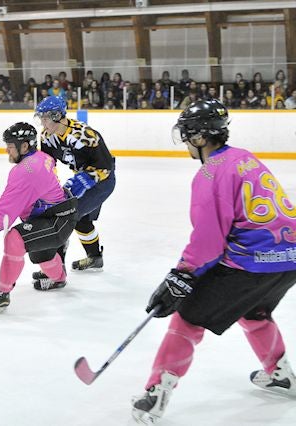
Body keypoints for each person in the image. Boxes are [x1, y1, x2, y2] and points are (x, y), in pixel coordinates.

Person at [131, 99, 296, 425]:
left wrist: (181, 276)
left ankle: (156, 392)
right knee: (253, 310)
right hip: (290, 257)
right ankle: (280, 373)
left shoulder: (210, 172)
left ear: (200, 138)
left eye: (188, 134)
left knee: (188, 316)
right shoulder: (245, 157)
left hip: (252, 263)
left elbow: (208, 242)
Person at [0, 122, 77, 311]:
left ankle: (2, 293)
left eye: (10, 146)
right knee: (42, 256)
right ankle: (59, 278)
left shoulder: (27, 170)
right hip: (59, 217)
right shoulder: (40, 157)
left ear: (24, 146)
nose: (7, 151)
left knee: (15, 239)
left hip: (55, 222)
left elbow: (9, 205)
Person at [31, 96, 115, 289]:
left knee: (66, 217)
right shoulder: (47, 136)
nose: (42, 123)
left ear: (57, 116)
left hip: (102, 181)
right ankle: (95, 257)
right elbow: (48, 166)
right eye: (40, 118)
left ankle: (55, 273)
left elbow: (106, 166)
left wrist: (84, 179)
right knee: (81, 219)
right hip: (82, 179)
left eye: (45, 118)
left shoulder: (85, 135)